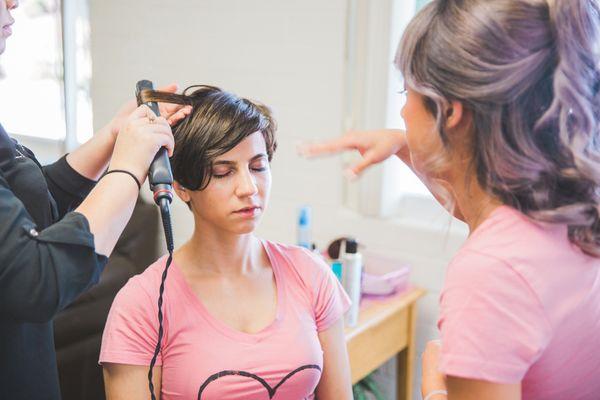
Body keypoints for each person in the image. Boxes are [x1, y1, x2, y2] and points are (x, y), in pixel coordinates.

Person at [300, 0, 600, 399]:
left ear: (450, 113)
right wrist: (406, 146)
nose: (403, 112)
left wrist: (434, 386)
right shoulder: (572, 201)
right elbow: (481, 211)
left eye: (406, 93)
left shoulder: (490, 273)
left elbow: (492, 241)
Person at [99, 85, 353, 400]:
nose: (249, 187)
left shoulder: (311, 274)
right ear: (180, 187)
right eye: (223, 172)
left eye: (258, 167)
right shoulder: (141, 305)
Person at [0, 0, 191, 398]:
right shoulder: (140, 304)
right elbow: (36, 281)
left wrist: (111, 138)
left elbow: (29, 202)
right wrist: (126, 170)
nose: (13, 1)